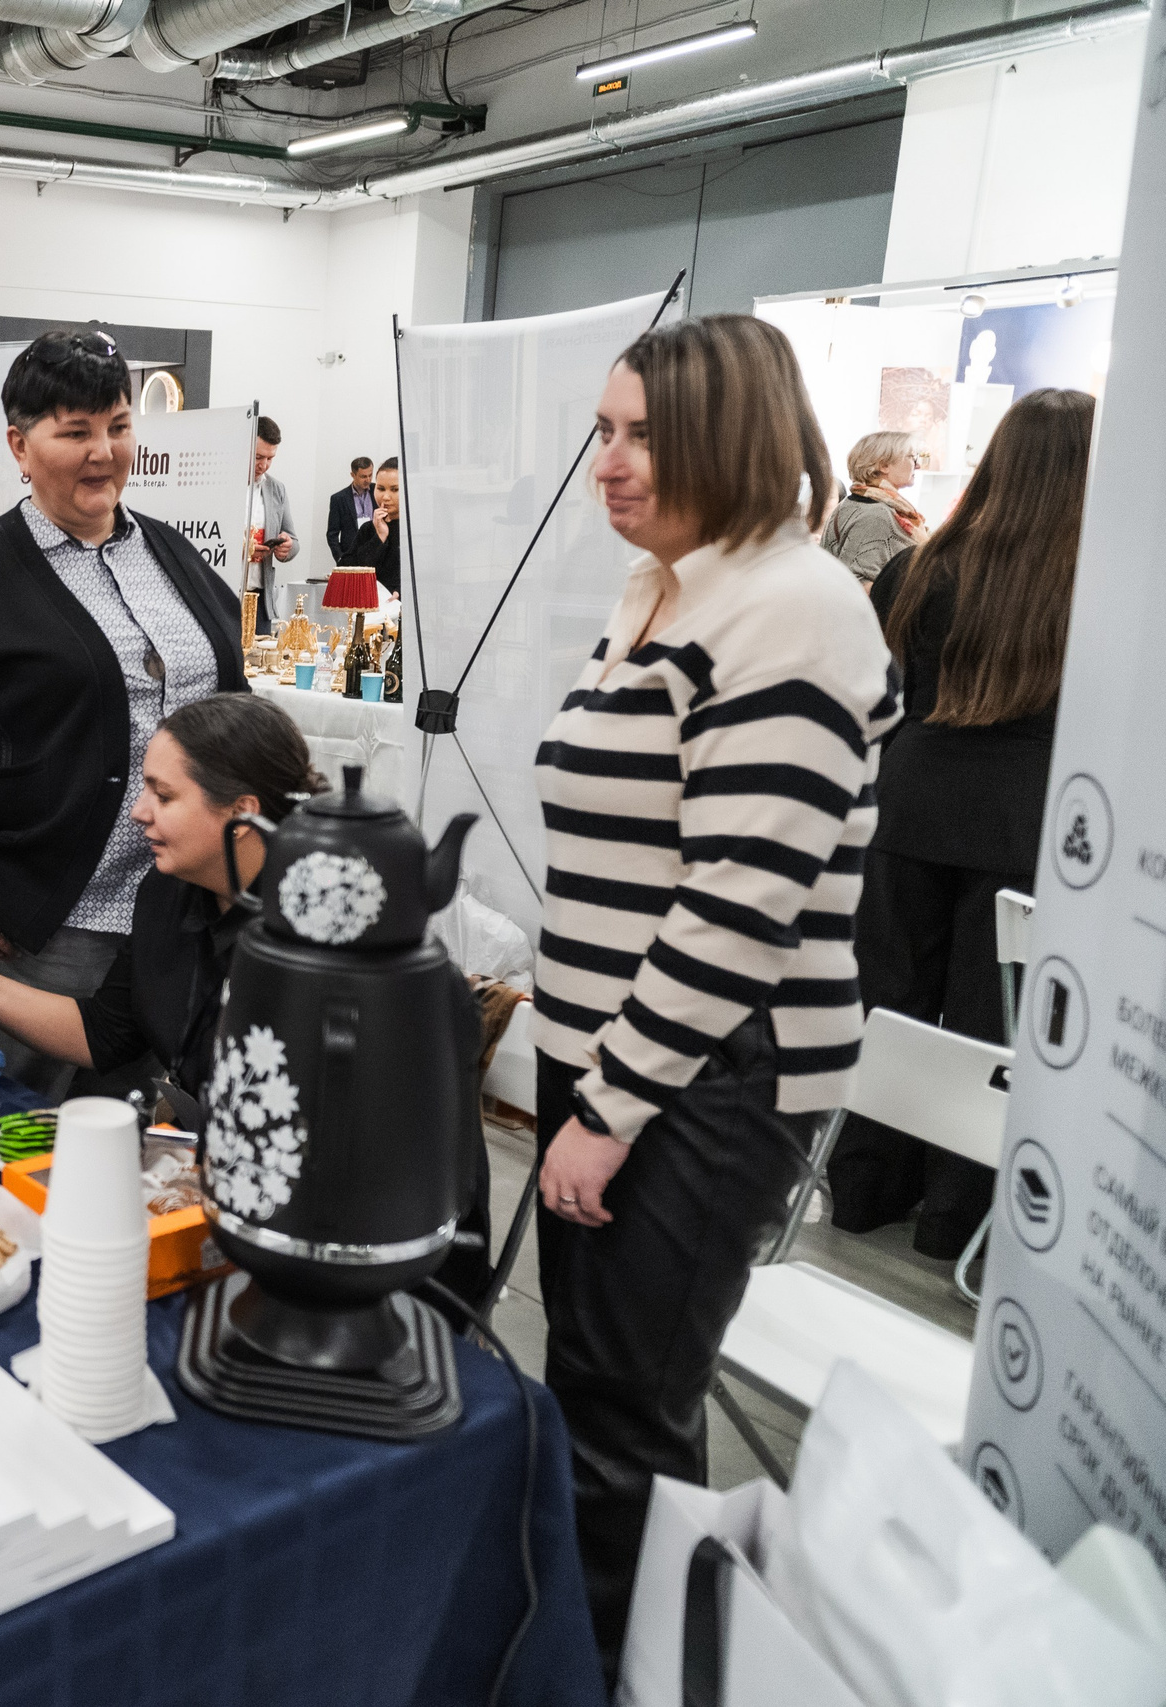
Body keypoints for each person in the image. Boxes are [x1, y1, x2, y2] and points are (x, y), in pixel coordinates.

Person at [530, 315, 896, 1679]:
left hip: (710, 1076)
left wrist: (611, 1103)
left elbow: (742, 903)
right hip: (625, 1061)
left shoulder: (794, 608)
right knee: (597, 1395)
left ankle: (628, 1671)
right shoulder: (665, 589)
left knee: (624, 1413)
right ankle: (601, 1652)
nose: (607, 465)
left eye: (639, 435)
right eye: (604, 432)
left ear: (725, 437)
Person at [0, 327, 246, 1099]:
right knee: (3, 1139)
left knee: (130, 1150)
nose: (102, 450)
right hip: (33, 928)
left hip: (171, 923)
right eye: (75, 432)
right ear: (20, 443)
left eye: (118, 426)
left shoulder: (177, 561)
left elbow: (233, 713)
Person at [826, 389, 1095, 1256]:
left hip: (909, 803)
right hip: (1025, 823)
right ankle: (954, 1218)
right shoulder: (1093, 585)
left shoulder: (922, 564)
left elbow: (883, 682)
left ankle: (863, 1188)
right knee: (991, 1027)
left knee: (888, 1004)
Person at [0, 693, 315, 1101]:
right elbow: (105, 1034)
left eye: (164, 795)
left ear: (242, 814)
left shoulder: (315, 927)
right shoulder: (166, 892)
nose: (138, 811)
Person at [820, 429, 929, 585]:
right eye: (912, 457)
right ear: (884, 465)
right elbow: (859, 583)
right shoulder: (875, 514)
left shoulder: (859, 503)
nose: (917, 465)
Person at [243, 416, 298, 633]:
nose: (263, 465)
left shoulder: (276, 489)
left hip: (259, 598)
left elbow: (294, 540)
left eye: (270, 458)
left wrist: (287, 547)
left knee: (260, 663)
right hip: (224, 593)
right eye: (258, 457)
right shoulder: (223, 484)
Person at [340, 457, 401, 594]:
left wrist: (400, 591)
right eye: (380, 488)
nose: (385, 497)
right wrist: (379, 538)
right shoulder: (369, 528)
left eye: (394, 490)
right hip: (369, 604)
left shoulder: (414, 530)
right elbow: (345, 567)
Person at [325, 455, 376, 563]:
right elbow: (332, 534)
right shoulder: (339, 499)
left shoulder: (378, 491)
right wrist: (340, 558)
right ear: (353, 475)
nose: (368, 480)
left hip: (376, 553)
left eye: (370, 475)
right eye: (363, 476)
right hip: (352, 556)